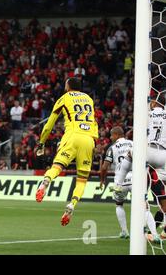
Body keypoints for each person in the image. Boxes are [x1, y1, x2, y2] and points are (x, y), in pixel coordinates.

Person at [35, 77, 99, 226]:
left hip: (72, 136)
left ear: (68, 86)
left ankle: (45, 183)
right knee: (82, 179)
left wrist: (41, 142)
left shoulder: (64, 98)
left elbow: (49, 124)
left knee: (57, 166)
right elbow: (94, 122)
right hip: (89, 139)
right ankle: (72, 205)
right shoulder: (89, 99)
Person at [116, 97, 166, 243]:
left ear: (155, 102)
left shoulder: (148, 112)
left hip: (148, 150)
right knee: (162, 192)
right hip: (163, 155)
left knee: (130, 154)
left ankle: (118, 184)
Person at [99, 126, 133, 239]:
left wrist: (102, 180)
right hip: (135, 179)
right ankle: (151, 231)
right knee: (144, 205)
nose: (110, 137)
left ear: (117, 135)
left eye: (111, 135)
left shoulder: (112, 148)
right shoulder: (133, 143)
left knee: (119, 204)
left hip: (120, 181)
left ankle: (124, 231)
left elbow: (104, 168)